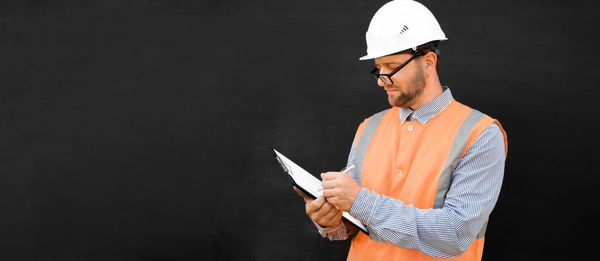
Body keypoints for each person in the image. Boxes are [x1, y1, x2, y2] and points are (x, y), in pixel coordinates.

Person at [294, 0, 508, 260]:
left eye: (391, 67)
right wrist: (330, 221)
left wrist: (360, 201)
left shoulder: (481, 134)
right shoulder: (369, 127)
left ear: (429, 62)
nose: (382, 81)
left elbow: (454, 233)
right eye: (378, 69)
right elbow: (354, 224)